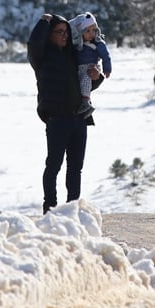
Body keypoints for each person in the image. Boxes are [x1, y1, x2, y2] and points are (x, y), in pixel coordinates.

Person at [27, 12, 104, 214]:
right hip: (57, 119)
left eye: (66, 32)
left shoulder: (73, 55)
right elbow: (33, 44)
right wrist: (44, 21)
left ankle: (72, 208)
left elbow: (85, 83)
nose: (64, 36)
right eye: (59, 32)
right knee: (53, 166)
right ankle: (49, 208)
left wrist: (97, 77)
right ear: (49, 34)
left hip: (79, 118)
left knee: (75, 168)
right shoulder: (42, 58)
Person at [68, 11, 112, 117]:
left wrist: (107, 68)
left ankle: (85, 101)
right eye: (87, 31)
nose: (91, 33)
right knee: (80, 81)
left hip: (91, 66)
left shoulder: (97, 44)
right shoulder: (77, 44)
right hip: (79, 67)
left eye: (93, 30)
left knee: (86, 80)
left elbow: (106, 56)